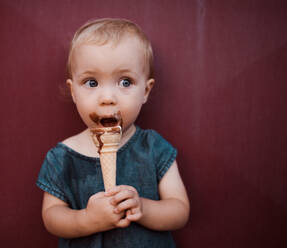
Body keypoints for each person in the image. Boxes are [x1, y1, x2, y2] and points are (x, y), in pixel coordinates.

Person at [36, 18, 190, 247]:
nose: (107, 98)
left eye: (125, 82)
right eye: (91, 83)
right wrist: (87, 219)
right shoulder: (61, 158)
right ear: (73, 91)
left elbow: (179, 210)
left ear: (145, 91)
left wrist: (144, 208)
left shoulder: (154, 148)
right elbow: (51, 217)